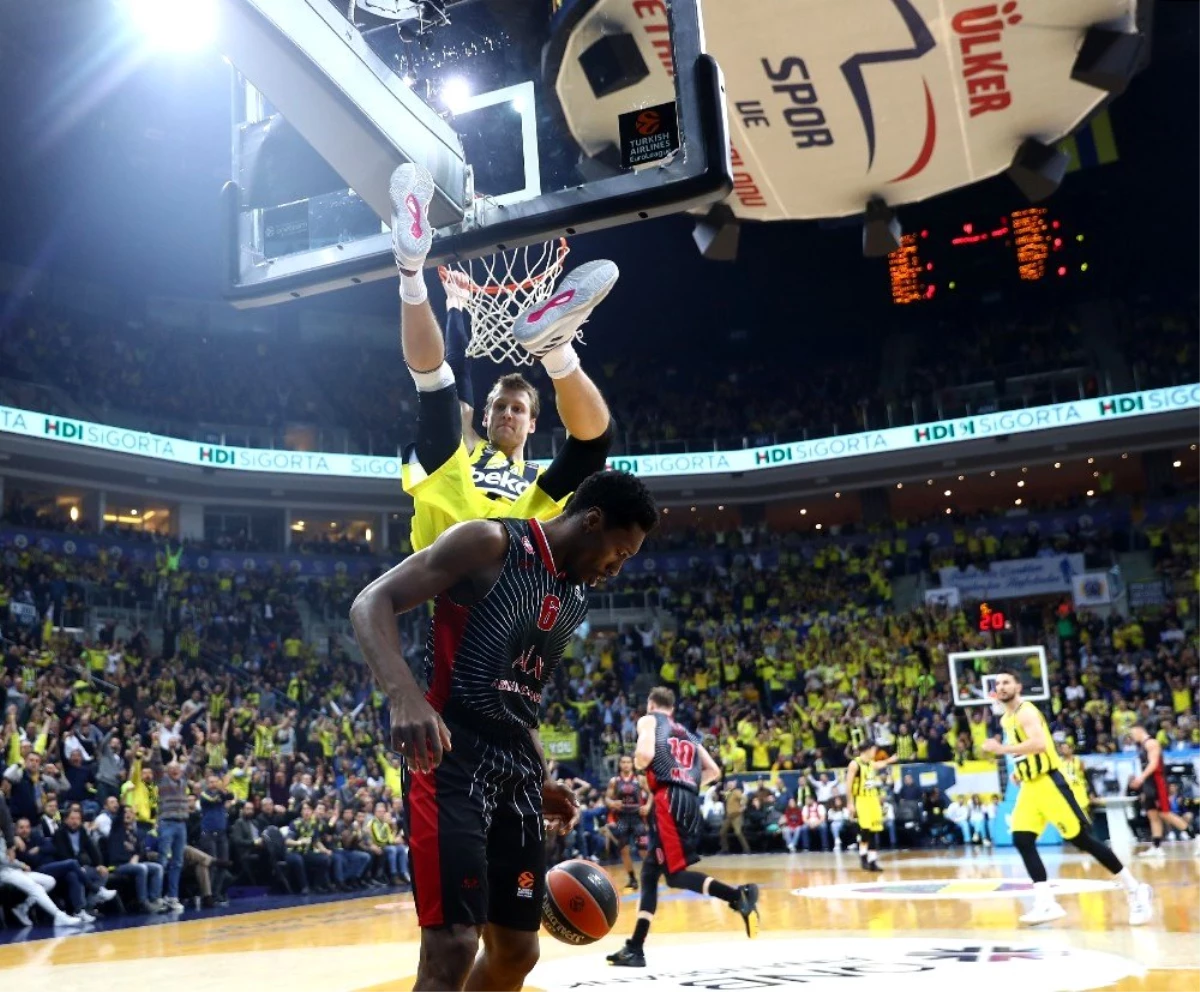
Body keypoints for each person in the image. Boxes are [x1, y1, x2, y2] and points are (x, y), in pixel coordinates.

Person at [350, 470, 658, 992]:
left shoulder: (574, 596)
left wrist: (540, 776)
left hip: (515, 768)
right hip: (450, 755)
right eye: (619, 553)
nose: (616, 568)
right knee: (453, 944)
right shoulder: (490, 542)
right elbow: (370, 602)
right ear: (593, 521)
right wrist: (404, 695)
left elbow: (520, 694)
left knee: (518, 951)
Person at [389, 162, 618, 553]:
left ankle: (555, 350)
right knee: (438, 387)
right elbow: (459, 377)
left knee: (594, 445)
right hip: (453, 527)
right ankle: (410, 268)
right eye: (500, 407)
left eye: (517, 409)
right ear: (485, 415)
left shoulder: (538, 477)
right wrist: (456, 307)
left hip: (518, 529)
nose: (508, 414)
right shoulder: (472, 446)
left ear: (532, 425)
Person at [982, 670, 1152, 925]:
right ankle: (1045, 902)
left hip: (1050, 783)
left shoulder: (1026, 711)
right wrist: (1019, 770)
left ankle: (1135, 889)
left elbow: (1039, 743)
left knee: (1082, 840)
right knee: (1021, 838)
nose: (1002, 686)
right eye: (998, 684)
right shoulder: (1007, 718)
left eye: (1006, 682)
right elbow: (1026, 752)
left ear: (1018, 686)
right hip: (1029, 786)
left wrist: (1001, 749)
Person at [607, 687, 760, 969]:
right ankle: (635, 948)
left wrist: (649, 771)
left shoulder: (649, 720)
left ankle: (738, 895)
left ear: (652, 704)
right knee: (651, 873)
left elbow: (642, 756)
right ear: (673, 709)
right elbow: (713, 771)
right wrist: (687, 784)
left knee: (675, 876)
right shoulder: (688, 734)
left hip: (668, 801)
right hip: (689, 800)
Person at [1127, 723, 1197, 858]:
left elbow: (1153, 764)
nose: (1132, 736)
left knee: (1165, 813)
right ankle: (1157, 847)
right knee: (1152, 814)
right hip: (1148, 783)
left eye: (1132, 733)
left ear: (1139, 730)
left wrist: (1141, 778)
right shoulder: (1141, 746)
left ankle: (1195, 837)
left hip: (1156, 782)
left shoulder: (1151, 743)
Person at [845, 741, 898, 872]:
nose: (876, 752)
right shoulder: (854, 764)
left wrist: (890, 760)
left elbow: (879, 764)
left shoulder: (869, 763)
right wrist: (850, 803)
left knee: (874, 830)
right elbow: (848, 785)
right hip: (861, 799)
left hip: (872, 799)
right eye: (874, 749)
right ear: (867, 750)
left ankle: (872, 860)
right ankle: (863, 857)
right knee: (865, 830)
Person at [601, 755, 649, 891]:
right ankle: (632, 878)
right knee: (624, 851)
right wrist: (612, 803)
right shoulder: (614, 781)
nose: (626, 764)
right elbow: (607, 799)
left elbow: (651, 794)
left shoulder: (639, 779)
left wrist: (648, 806)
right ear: (620, 764)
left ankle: (648, 877)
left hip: (637, 818)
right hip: (622, 818)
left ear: (632, 764)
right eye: (623, 762)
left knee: (644, 851)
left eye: (628, 762)